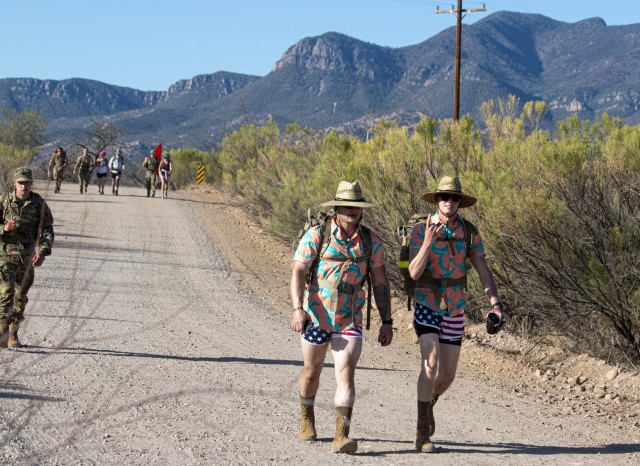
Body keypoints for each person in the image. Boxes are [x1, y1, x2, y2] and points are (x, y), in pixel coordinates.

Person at [290, 180, 393, 454]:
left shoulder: (371, 241)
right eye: (347, 206)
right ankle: (307, 419)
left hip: (349, 319)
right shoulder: (317, 234)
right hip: (316, 316)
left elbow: (380, 282)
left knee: (346, 373)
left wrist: (387, 321)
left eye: (357, 206)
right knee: (311, 373)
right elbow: (299, 271)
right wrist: (298, 309)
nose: (352, 211)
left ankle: (341, 435)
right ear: (336, 207)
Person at [407, 176, 505, 454]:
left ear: (461, 202)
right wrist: (427, 242)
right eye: (443, 197)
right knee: (431, 362)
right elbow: (413, 273)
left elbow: (483, 268)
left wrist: (495, 303)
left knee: (447, 375)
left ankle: (430, 402)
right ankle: (422, 431)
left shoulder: (469, 232)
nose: (448, 202)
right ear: (436, 200)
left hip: (455, 306)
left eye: (454, 198)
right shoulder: (419, 229)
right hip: (427, 302)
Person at [0, 167, 54, 348]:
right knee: (6, 293)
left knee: (20, 296)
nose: (24, 186)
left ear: (32, 183)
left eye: (27, 182)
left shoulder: (39, 204)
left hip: (27, 257)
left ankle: (13, 332)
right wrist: (3, 229)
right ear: (13, 183)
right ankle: (2, 331)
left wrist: (43, 251)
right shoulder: (4, 201)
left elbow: (47, 228)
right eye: (20, 182)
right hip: (5, 255)